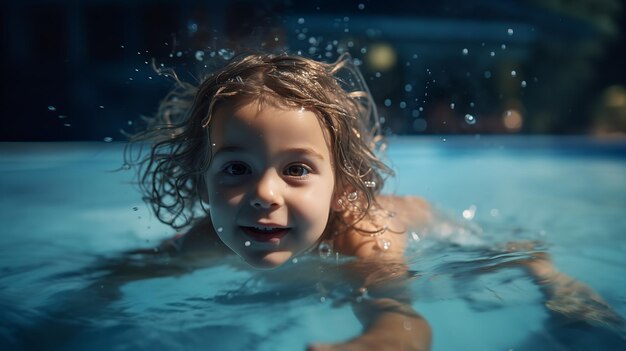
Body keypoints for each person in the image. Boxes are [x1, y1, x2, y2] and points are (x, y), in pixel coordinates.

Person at [126, 52, 623, 350]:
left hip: (425, 225)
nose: (263, 194)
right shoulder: (203, 239)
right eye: (236, 169)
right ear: (200, 182)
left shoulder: (365, 238)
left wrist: (378, 340)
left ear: (341, 186)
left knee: (494, 258)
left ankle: (542, 266)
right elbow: (120, 275)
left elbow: (398, 314)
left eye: (296, 169)